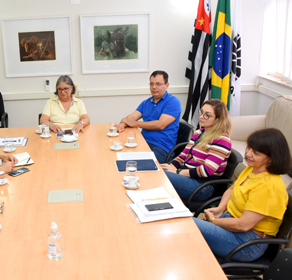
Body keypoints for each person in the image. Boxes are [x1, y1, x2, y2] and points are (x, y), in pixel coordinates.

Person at [193, 128, 291, 262]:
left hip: (247, 243)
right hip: (232, 224)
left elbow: (243, 225)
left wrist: (215, 221)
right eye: (249, 148)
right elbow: (232, 189)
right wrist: (220, 208)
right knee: (186, 228)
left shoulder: (269, 187)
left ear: (271, 159)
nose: (248, 154)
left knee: (188, 225)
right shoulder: (253, 169)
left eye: (256, 153)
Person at [161, 99, 232, 201]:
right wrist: (171, 166)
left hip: (202, 186)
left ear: (218, 119)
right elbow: (183, 155)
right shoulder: (199, 132)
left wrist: (177, 171)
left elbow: (206, 171)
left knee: (160, 177)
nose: (202, 116)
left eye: (207, 115)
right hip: (188, 177)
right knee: (155, 171)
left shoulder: (222, 140)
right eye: (201, 112)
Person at [117, 70, 181, 163]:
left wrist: (135, 123)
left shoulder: (173, 102)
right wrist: (123, 123)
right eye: (151, 84)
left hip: (161, 148)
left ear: (167, 85)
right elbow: (130, 118)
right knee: (119, 155)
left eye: (158, 84)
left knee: (134, 164)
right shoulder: (146, 102)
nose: (154, 87)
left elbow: (160, 124)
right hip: (143, 142)